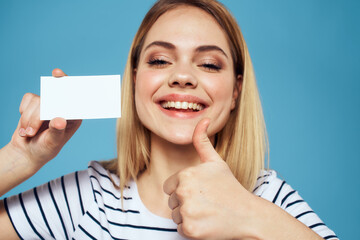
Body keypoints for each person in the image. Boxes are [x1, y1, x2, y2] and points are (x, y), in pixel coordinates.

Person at [0, 0, 338, 239]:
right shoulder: (89, 198)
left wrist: (251, 215)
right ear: (134, 81)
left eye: (208, 64)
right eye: (160, 60)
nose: (182, 76)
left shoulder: (267, 199)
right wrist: (20, 158)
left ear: (236, 91)